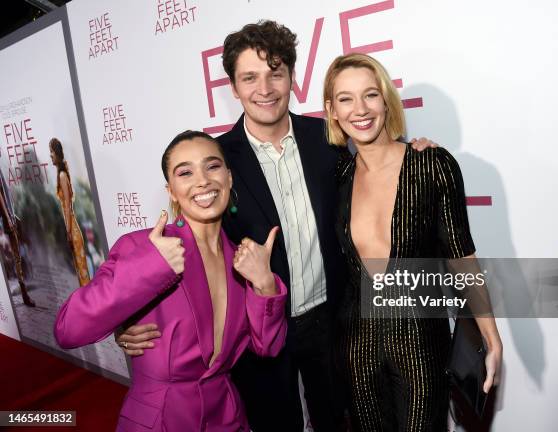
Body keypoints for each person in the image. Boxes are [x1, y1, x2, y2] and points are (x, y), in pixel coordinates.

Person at [116, 21, 436, 432]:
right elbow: (188, 247)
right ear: (233, 87)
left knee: (338, 421)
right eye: (250, 77)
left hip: (334, 322)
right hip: (257, 333)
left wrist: (418, 153)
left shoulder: (328, 139)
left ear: (291, 79)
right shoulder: (217, 161)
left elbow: (376, 164)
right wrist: (132, 319)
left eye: (276, 73)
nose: (264, 88)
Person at [54, 131, 288, 431]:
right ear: (172, 191)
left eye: (212, 166)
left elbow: (268, 347)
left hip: (227, 418)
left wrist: (265, 285)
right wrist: (150, 269)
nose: (202, 180)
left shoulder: (243, 260)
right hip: (161, 420)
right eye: (185, 172)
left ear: (229, 178)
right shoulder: (142, 248)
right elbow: (68, 330)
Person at [323, 53, 503, 431]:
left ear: (386, 100)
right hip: (357, 345)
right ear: (332, 111)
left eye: (370, 95)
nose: (360, 109)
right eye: (345, 99)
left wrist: (491, 335)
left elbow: (462, 258)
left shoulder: (432, 164)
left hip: (420, 343)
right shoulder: (338, 173)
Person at [49, 138, 90, 286]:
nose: (50, 155)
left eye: (52, 152)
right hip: (71, 229)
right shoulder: (61, 174)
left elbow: (67, 205)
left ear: (58, 153)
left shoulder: (62, 176)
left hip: (72, 230)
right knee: (80, 273)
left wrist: (67, 232)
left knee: (82, 273)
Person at [0, 170, 34, 307]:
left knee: (17, 256)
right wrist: (8, 218)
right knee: (16, 256)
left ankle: (25, 292)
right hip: (6, 218)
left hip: (9, 216)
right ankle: (25, 294)